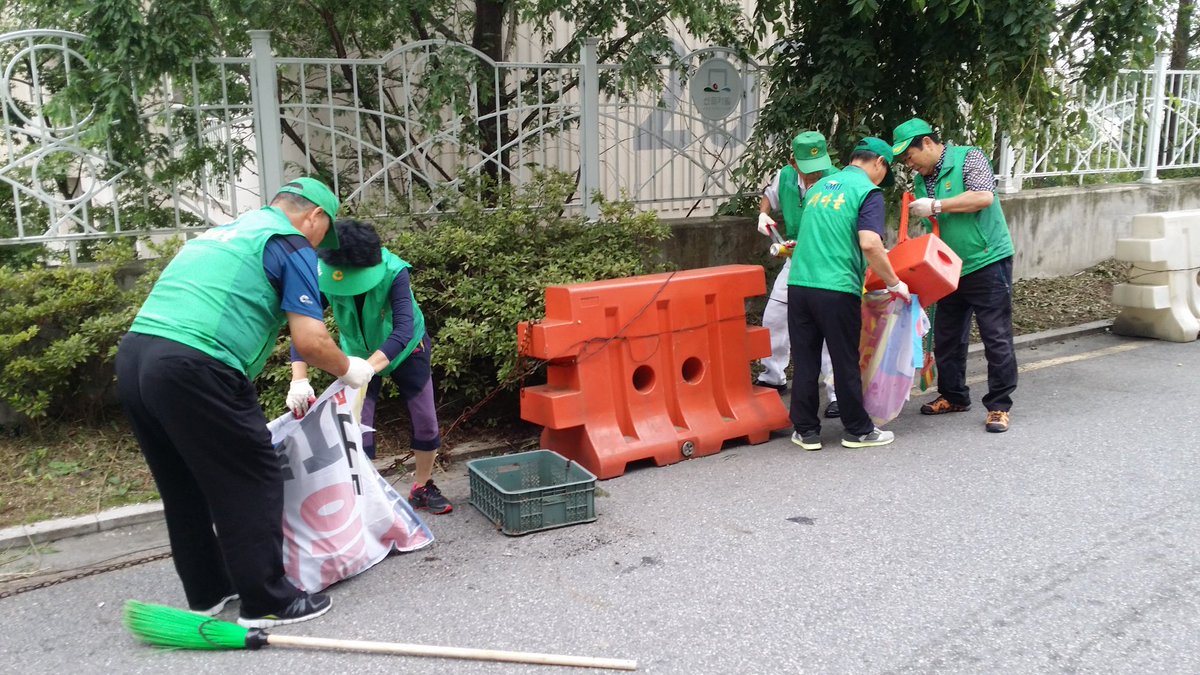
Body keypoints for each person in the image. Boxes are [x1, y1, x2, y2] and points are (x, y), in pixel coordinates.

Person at [116, 177, 378, 628]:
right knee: (253, 476)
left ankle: (208, 591)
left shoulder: (220, 234)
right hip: (197, 364)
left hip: (137, 358)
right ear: (314, 216)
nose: (318, 245)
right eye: (322, 233)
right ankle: (267, 601)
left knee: (183, 483)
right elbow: (311, 340)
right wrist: (349, 369)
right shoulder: (289, 242)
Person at [286, 219, 451, 514]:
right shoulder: (325, 274)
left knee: (425, 420)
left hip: (407, 349)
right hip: (354, 355)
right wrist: (298, 379)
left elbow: (402, 330)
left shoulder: (394, 271)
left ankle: (422, 487)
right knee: (357, 427)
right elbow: (304, 326)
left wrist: (369, 368)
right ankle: (365, 494)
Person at [891, 118, 1016, 433]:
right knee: (948, 335)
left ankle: (999, 406)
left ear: (929, 144)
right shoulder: (924, 178)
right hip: (950, 267)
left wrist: (936, 204)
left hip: (988, 259)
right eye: (904, 161)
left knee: (995, 335)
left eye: (910, 156)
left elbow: (983, 197)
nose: (909, 164)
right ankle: (954, 395)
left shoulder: (969, 158)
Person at [787, 137, 910, 450]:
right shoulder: (867, 192)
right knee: (844, 360)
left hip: (800, 285)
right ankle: (857, 429)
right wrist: (895, 282)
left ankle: (806, 431)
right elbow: (870, 243)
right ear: (878, 163)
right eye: (885, 171)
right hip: (836, 288)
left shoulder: (817, 189)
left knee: (805, 360)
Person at [754, 131, 842, 419]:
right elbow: (768, 197)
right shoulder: (785, 177)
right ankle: (772, 375)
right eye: (807, 167)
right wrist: (763, 215)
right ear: (793, 162)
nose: (814, 173)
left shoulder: (837, 180)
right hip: (795, 257)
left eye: (819, 165)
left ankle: (836, 393)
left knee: (830, 326)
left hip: (829, 258)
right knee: (775, 316)